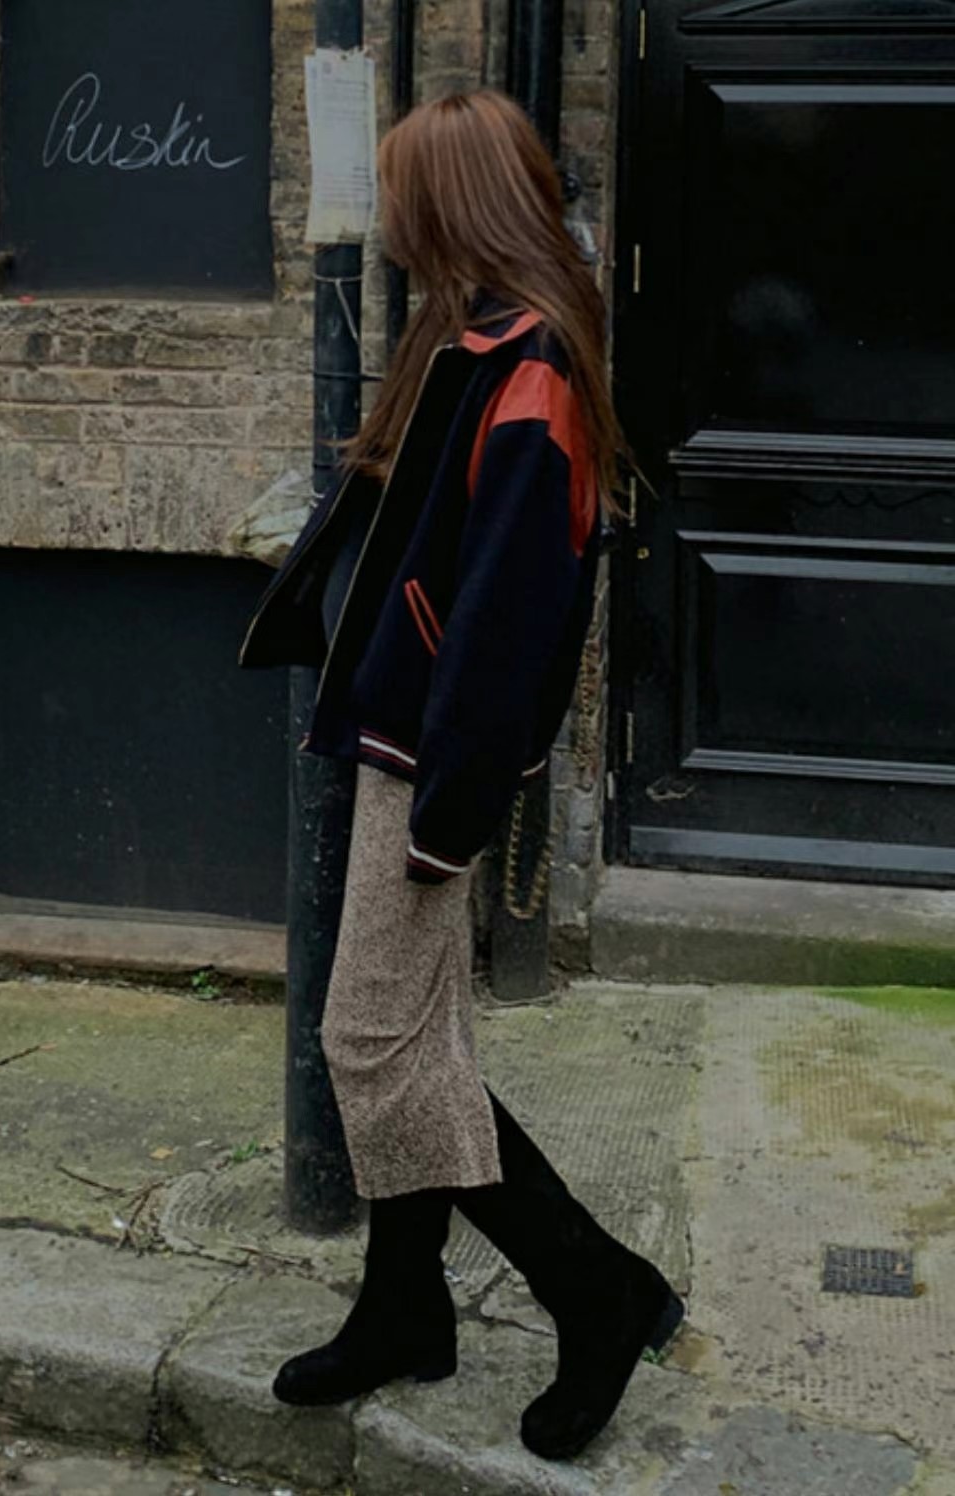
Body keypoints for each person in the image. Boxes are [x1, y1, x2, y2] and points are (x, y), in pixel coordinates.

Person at [237, 88, 683, 1462]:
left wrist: (448, 815)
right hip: (398, 730)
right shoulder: (465, 334)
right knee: (416, 1046)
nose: (388, 217)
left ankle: (594, 1289)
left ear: (450, 202)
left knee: (371, 1045)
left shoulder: (529, 363)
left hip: (430, 757)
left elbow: (508, 623)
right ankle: (403, 1306)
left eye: (403, 192)